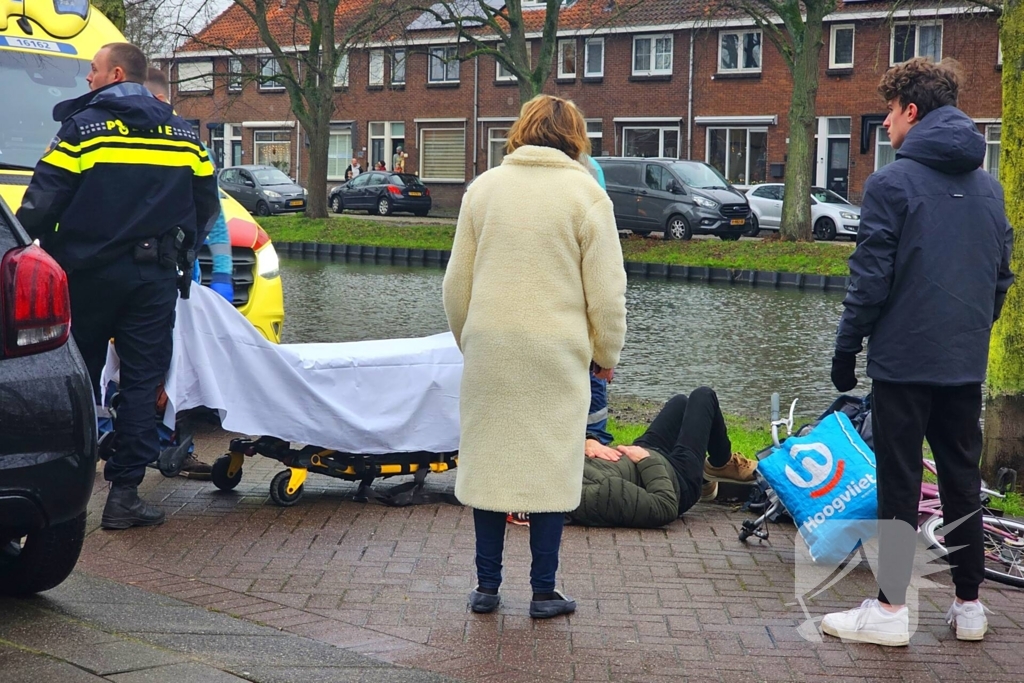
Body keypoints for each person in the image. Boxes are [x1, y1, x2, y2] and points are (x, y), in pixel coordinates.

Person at [822, 58, 1014, 646]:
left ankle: (890, 610)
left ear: (912, 111)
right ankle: (970, 605)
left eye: (889, 110)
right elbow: (1001, 277)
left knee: (899, 483)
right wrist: (971, 332)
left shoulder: (890, 184)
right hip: (962, 364)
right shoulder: (990, 186)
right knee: (960, 481)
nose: (883, 124)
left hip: (903, 362)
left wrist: (846, 347)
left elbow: (870, 279)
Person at [16, 43, 220, 529]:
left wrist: (24, 255)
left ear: (116, 74)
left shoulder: (82, 130)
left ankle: (68, 494)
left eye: (93, 70)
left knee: (75, 382)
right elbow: (206, 206)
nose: (87, 79)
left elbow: (40, 205)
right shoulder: (184, 134)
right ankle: (123, 496)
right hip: (153, 280)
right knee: (141, 381)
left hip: (84, 276)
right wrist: (182, 255)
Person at [442, 94, 627, 619]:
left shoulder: (483, 190)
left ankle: (486, 587)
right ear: (575, 138)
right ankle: (544, 591)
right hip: (557, 352)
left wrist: (471, 339)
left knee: (489, 463)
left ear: (521, 130)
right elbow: (607, 293)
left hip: (491, 348)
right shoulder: (586, 195)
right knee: (552, 464)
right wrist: (605, 352)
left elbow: (456, 286)